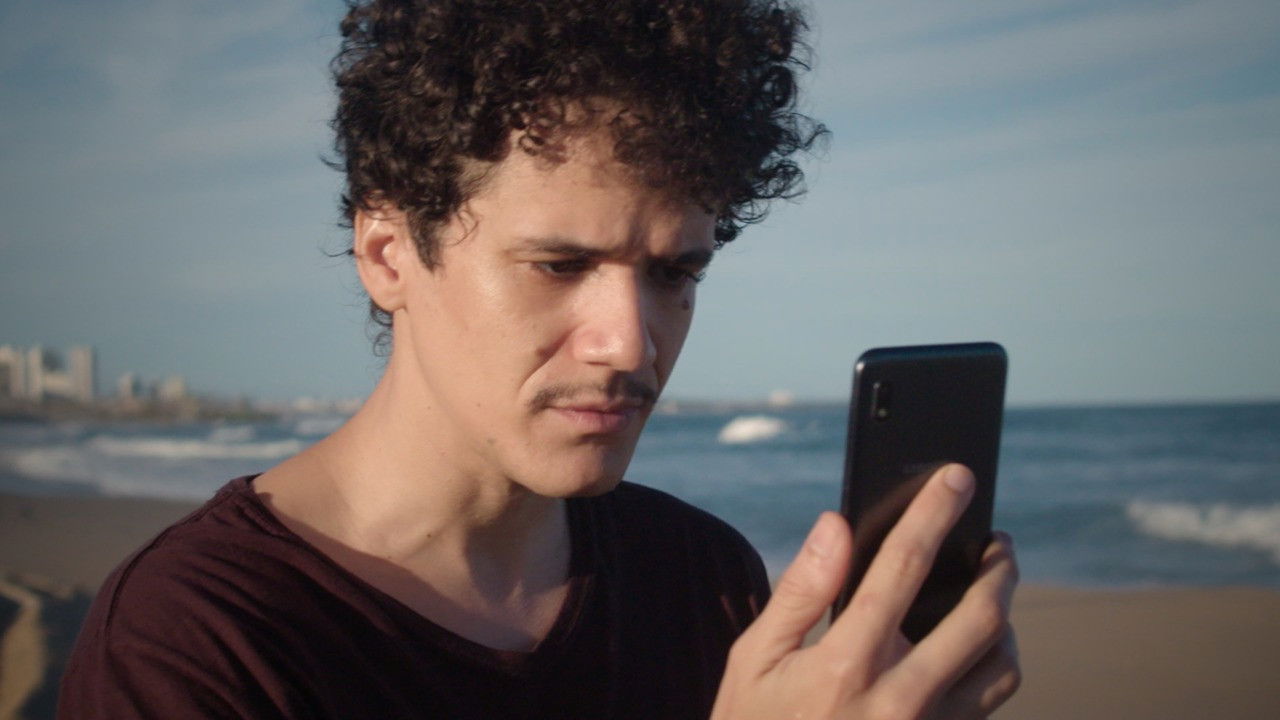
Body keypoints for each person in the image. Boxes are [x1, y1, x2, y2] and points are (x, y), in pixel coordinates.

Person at [58, 1, 1020, 718]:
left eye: (675, 273)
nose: (630, 342)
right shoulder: (198, 636)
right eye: (559, 265)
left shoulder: (701, 575)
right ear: (388, 255)